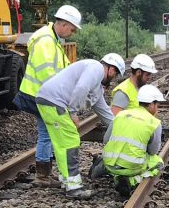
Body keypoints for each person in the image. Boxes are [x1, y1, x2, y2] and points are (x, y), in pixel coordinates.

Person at [35, 53, 125, 199]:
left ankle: (67, 182)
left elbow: (106, 114)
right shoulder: (96, 68)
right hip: (55, 101)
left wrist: (121, 129)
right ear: (110, 68)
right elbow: (82, 87)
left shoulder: (96, 86)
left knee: (61, 144)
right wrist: (73, 112)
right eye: (115, 73)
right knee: (71, 141)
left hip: (46, 99)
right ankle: (74, 188)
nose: (113, 77)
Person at [14, 5, 81, 184]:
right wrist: (61, 97)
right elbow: (46, 74)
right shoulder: (45, 41)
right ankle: (42, 175)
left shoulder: (52, 39)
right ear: (65, 24)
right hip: (39, 95)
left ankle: (45, 173)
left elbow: (64, 67)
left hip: (43, 94)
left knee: (49, 132)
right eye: (72, 29)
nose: (72, 33)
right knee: (47, 134)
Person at [91, 84, 166, 195]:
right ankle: (131, 181)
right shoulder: (154, 123)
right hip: (132, 167)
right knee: (158, 162)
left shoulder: (121, 115)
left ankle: (103, 167)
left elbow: (106, 140)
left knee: (115, 157)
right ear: (151, 104)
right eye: (157, 105)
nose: (157, 109)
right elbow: (153, 151)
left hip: (109, 162)